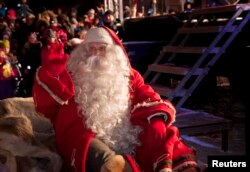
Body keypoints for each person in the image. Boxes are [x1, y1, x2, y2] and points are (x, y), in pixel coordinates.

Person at [32, 26, 199, 172]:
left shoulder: (129, 75)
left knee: (163, 135)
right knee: (100, 155)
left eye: (102, 48)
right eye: (91, 48)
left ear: (113, 51)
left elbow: (148, 95)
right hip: (86, 133)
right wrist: (53, 62)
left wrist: (155, 119)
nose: (96, 53)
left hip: (125, 131)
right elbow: (52, 92)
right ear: (84, 51)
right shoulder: (74, 73)